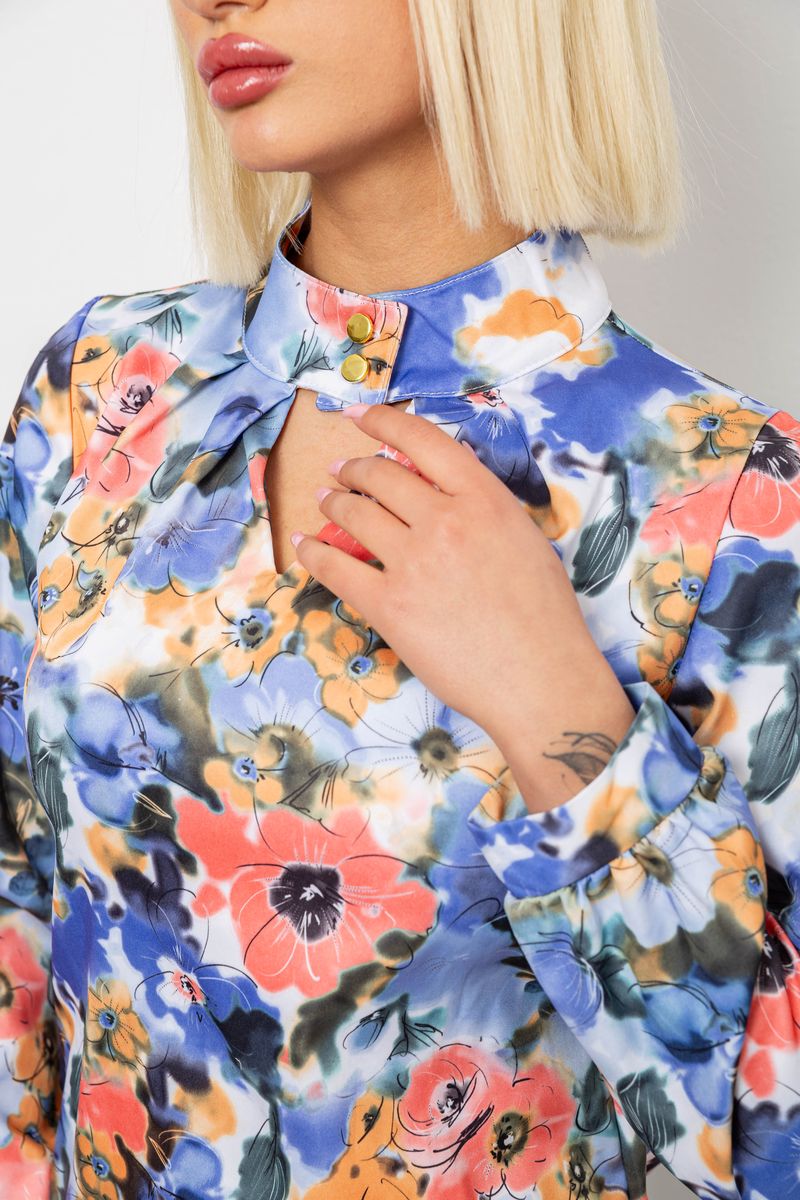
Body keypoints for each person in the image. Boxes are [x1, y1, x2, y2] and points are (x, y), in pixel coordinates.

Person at [1, 0, 796, 1196]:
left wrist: (559, 710)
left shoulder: (729, 495)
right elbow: (18, 918)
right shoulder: (104, 392)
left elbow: (773, 1141)